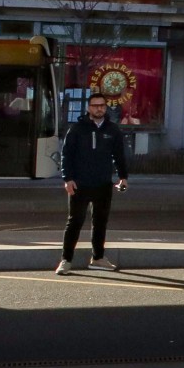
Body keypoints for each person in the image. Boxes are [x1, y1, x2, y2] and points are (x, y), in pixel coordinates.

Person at [56, 92, 129, 275]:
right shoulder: (77, 129)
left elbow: (119, 155)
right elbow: (66, 155)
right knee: (74, 222)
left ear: (106, 107)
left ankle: (98, 258)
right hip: (79, 183)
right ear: (88, 108)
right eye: (95, 106)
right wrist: (67, 178)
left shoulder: (112, 130)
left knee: (100, 222)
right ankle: (66, 260)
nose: (99, 109)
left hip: (103, 183)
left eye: (102, 105)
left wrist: (123, 176)